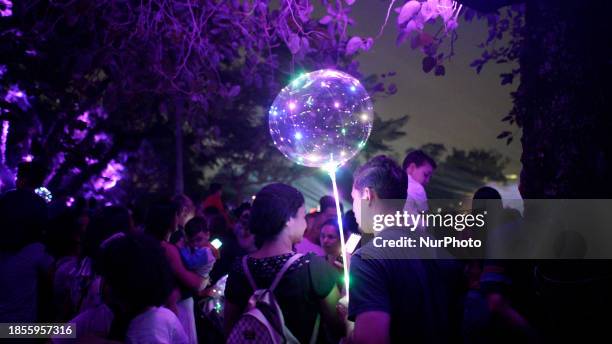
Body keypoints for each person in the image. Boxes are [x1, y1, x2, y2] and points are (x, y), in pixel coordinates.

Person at [348, 155, 464, 343]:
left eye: (354, 198)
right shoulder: (438, 252)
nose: (353, 209)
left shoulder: (368, 258)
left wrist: (348, 326)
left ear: (368, 196)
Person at [224, 183, 346, 343]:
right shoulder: (312, 267)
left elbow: (230, 329)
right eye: (302, 217)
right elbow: (339, 328)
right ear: (288, 219)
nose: (306, 224)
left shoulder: (239, 268)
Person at [61, 234, 188, 344]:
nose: (100, 283)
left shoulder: (153, 329)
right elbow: (52, 331)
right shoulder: (108, 314)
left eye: (107, 277)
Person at [145, 201, 206, 344]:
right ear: (169, 219)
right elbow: (190, 281)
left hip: (153, 308)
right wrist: (203, 278)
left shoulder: (145, 243)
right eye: (176, 214)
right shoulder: (167, 248)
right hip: (176, 307)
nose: (178, 218)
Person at [0, 160, 53, 323]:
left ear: (23, 178)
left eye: (18, 176)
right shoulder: (42, 206)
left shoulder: (7, 199)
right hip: (30, 263)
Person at [180, 217, 216, 284]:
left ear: (208, 234)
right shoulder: (207, 247)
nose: (195, 244)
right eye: (191, 241)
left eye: (199, 239)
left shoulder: (206, 251)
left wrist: (182, 247)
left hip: (195, 282)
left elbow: (190, 263)